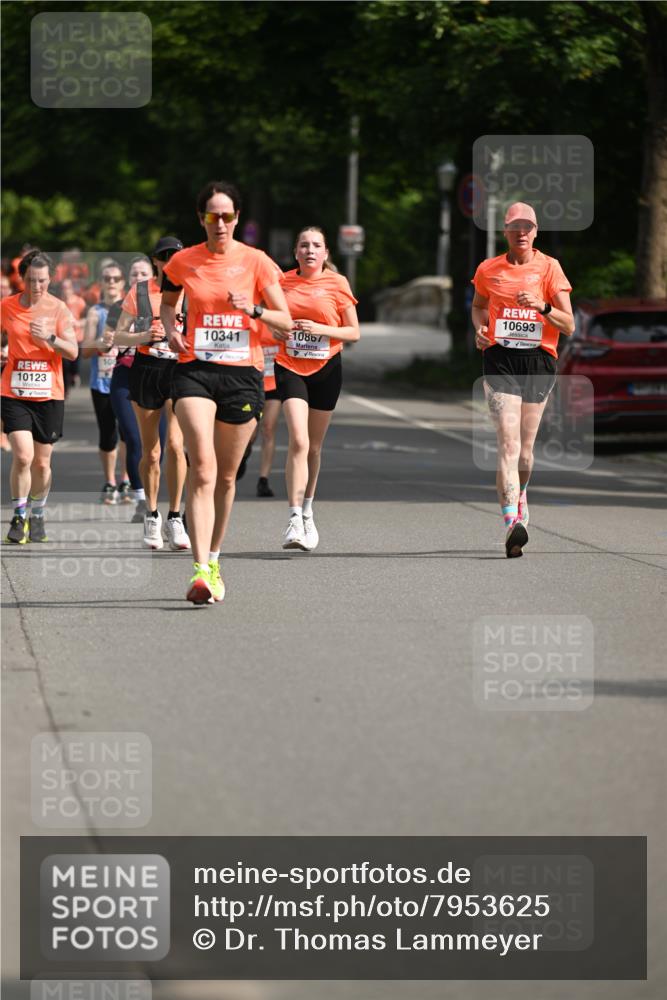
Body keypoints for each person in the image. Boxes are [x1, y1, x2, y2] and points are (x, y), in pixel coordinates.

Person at [160, 179, 292, 604]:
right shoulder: (182, 261)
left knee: (228, 476)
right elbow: (167, 302)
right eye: (213, 216)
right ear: (202, 219)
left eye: (228, 215)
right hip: (194, 370)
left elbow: (284, 321)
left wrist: (250, 308)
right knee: (202, 465)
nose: (220, 223)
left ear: (237, 219)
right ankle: (199, 570)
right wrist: (170, 331)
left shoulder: (257, 262)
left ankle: (214, 558)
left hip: (242, 375)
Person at [471, 202, 575, 558]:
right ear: (505, 231)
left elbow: (569, 324)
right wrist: (480, 331)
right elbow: (478, 306)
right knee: (508, 445)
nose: (521, 232)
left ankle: (522, 495)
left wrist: (542, 307)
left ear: (536, 231)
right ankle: (511, 523)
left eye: (527, 226)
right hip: (499, 359)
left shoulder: (550, 268)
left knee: (526, 453)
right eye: (515, 226)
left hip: (538, 360)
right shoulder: (488, 268)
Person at [271, 226, 360, 551]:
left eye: (316, 245)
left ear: (325, 254)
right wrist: (274, 330)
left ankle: (308, 509)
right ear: (296, 253)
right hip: (290, 366)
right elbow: (265, 320)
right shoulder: (281, 282)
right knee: (298, 439)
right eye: (304, 245)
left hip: (326, 368)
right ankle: (294, 518)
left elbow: (353, 332)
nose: (310, 250)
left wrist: (319, 328)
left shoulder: (337, 284)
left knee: (315, 447)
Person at [111, 237, 190, 551]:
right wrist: (146, 334)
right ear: (155, 261)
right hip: (145, 369)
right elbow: (117, 335)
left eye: (175, 255)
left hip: (179, 372)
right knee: (152, 451)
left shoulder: (192, 290)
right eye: (164, 256)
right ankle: (152, 514)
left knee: (176, 444)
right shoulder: (140, 291)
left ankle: (175, 517)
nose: (169, 260)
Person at [1, 249, 78, 543]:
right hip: (14, 392)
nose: (36, 286)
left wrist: (50, 337)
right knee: (23, 455)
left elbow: (72, 351)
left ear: (51, 279)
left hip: (49, 394)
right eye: (31, 280)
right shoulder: (6, 306)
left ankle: (38, 512)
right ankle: (19, 515)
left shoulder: (58, 309)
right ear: (22, 278)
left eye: (42, 281)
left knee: (42, 464)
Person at [104, 255, 163, 523]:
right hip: (125, 375)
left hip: (158, 376)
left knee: (157, 445)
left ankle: (153, 497)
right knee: (132, 438)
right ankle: (141, 500)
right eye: (134, 274)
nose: (138, 278)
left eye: (143, 273)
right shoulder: (119, 307)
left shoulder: (169, 301)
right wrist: (105, 342)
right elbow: (106, 343)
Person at [79, 259, 129, 503]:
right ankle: (110, 482)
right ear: (100, 283)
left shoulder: (131, 309)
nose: (111, 283)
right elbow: (85, 350)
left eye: (115, 279)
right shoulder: (94, 312)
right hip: (102, 383)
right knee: (108, 434)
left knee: (129, 433)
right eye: (107, 279)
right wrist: (100, 342)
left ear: (123, 283)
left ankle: (126, 480)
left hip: (127, 380)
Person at [255, 322, 283, 497]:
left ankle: (263, 479)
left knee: (268, 428)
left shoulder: (281, 316)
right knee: (249, 432)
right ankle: (243, 455)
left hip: (275, 384)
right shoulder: (251, 314)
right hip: (253, 383)